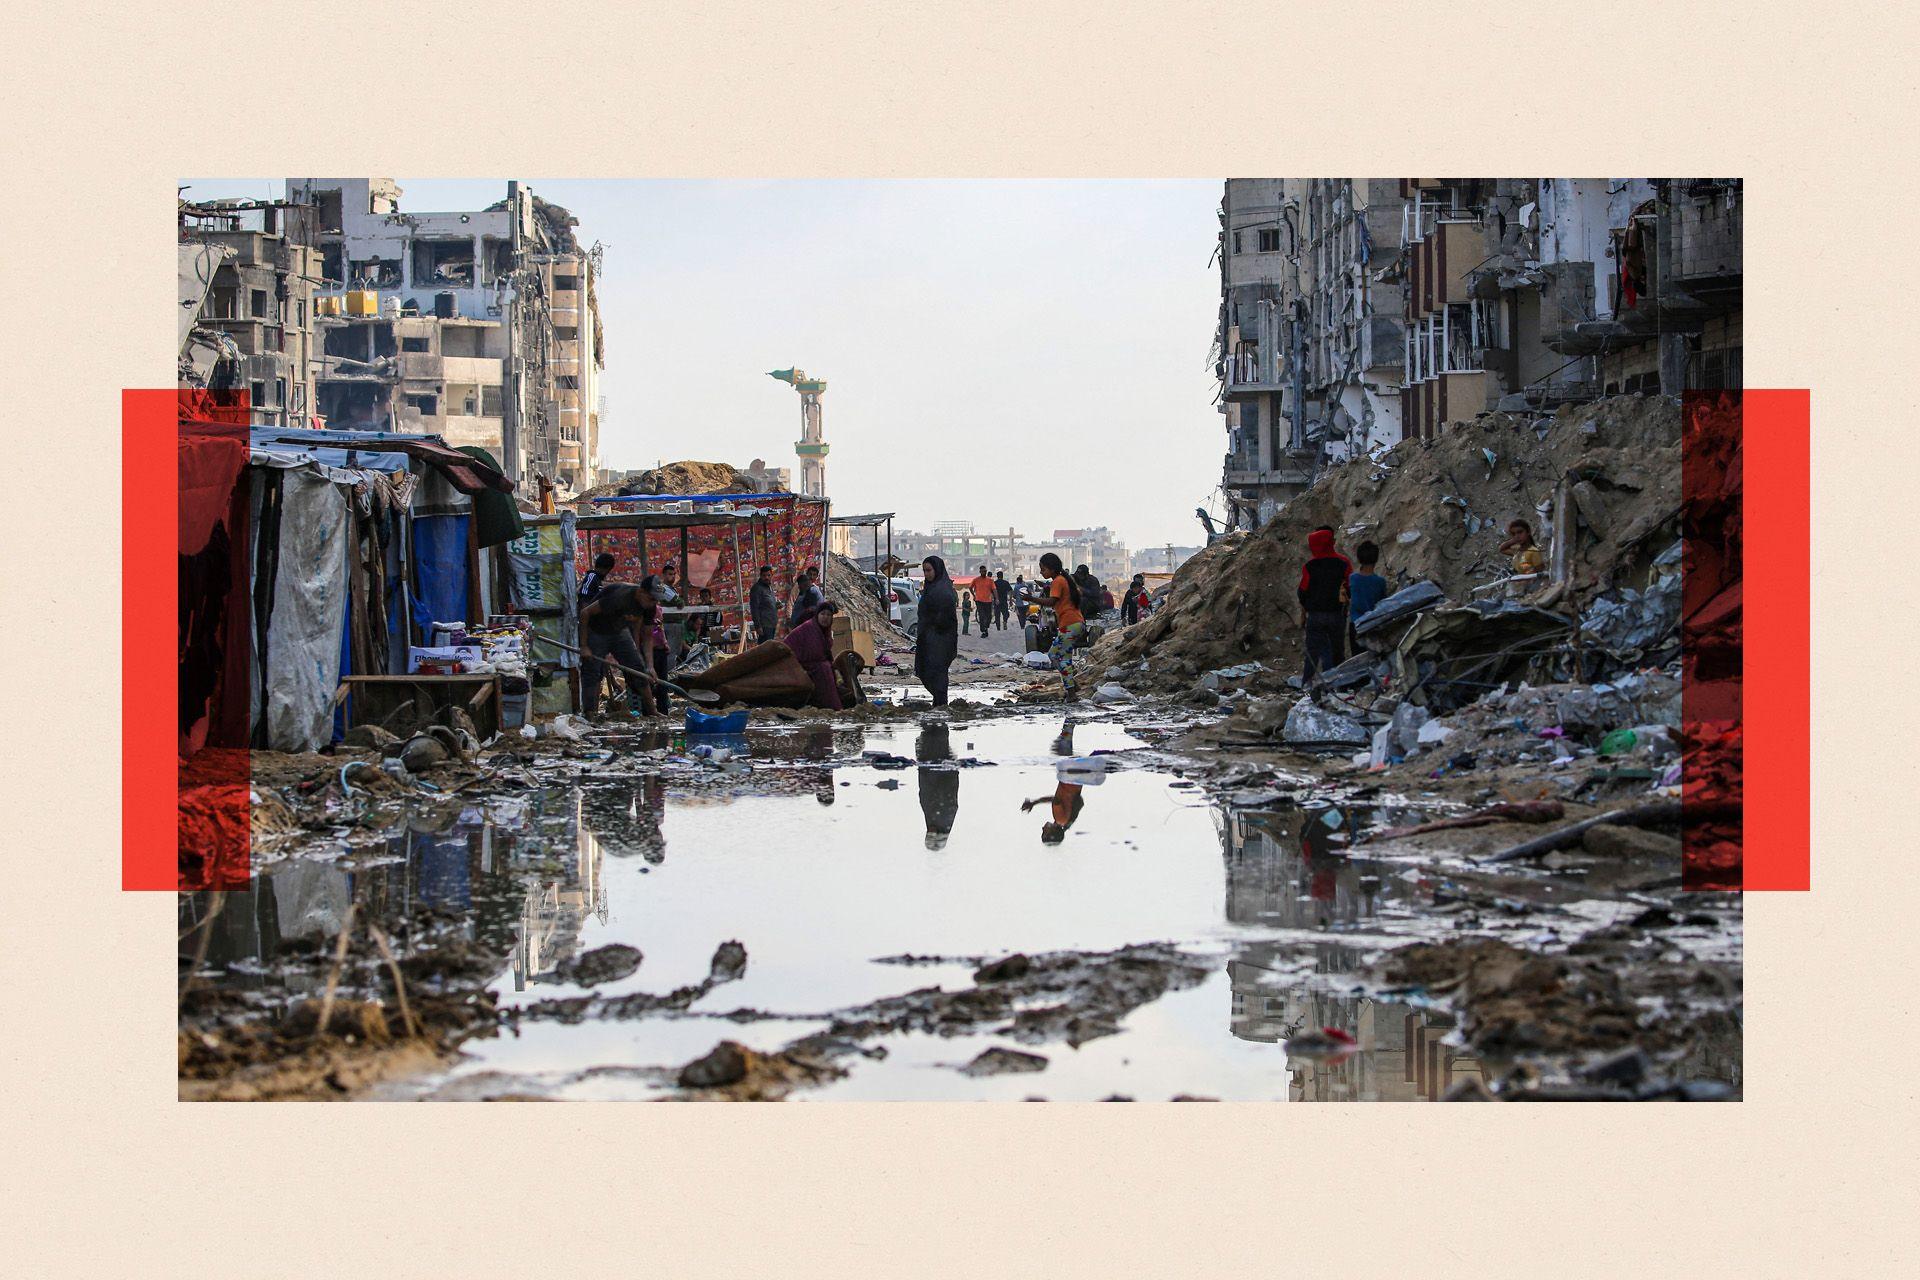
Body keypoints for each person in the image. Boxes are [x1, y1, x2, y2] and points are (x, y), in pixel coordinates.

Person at [577, 579, 659, 719]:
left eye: (655, 600)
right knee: (592, 671)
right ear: (640, 592)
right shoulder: (619, 597)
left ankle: (652, 711)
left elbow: (647, 636)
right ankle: (591, 713)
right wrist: (584, 646)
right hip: (596, 630)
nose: (653, 603)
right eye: (651, 599)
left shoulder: (650, 606)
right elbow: (585, 613)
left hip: (619, 631)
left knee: (638, 669)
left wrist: (650, 666)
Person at [1298, 526, 1351, 680]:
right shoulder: (1343, 563)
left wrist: (1306, 609)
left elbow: (1302, 592)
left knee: (1313, 652)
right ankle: (1337, 684)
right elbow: (1349, 587)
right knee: (1336, 651)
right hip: (1337, 615)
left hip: (1315, 616)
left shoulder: (1309, 566)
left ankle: (1307, 684)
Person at [1038, 551, 1085, 699]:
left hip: (1069, 624)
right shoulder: (1063, 579)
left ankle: (1071, 692)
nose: (1041, 572)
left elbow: (1052, 602)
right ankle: (1072, 684)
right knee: (1064, 657)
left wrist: (1031, 598)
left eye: (1043, 569)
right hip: (1075, 623)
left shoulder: (1058, 581)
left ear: (1051, 569)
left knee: (1056, 656)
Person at [783, 599, 844, 710]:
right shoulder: (810, 628)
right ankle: (831, 706)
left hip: (810, 662)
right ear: (817, 615)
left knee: (829, 668)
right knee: (824, 669)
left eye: (828, 615)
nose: (825, 617)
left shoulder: (824, 630)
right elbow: (814, 653)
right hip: (793, 663)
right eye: (822, 614)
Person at [914, 556, 959, 706]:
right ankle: (938, 704)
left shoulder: (943, 590)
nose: (926, 574)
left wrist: (934, 626)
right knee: (929, 670)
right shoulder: (931, 588)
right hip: (929, 638)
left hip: (941, 639)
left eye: (929, 570)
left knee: (938, 672)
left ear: (937, 570)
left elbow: (946, 617)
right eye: (924, 571)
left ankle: (941, 705)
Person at [638, 574, 674, 714]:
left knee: (662, 684)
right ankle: (648, 711)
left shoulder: (656, 609)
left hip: (659, 649)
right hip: (648, 650)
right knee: (645, 682)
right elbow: (643, 634)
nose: (653, 602)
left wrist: (665, 643)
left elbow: (660, 629)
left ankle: (662, 711)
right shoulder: (640, 611)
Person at [1344, 540, 1388, 653]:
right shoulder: (1380, 582)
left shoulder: (1353, 578)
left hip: (1356, 624)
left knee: (1357, 657)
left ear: (1359, 559)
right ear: (1376, 559)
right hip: (1373, 624)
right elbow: (1383, 602)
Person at [749, 564, 779, 643]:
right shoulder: (757, 588)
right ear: (761, 576)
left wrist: (776, 605)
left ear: (771, 575)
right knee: (766, 650)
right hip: (765, 625)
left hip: (772, 623)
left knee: (770, 649)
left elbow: (767, 604)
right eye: (764, 575)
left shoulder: (769, 587)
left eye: (768, 575)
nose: (766, 577)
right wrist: (758, 626)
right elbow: (754, 608)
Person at [968, 565, 996, 635]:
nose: (984, 572)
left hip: (988, 601)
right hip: (979, 600)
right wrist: (974, 595)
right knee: (982, 615)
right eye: (983, 571)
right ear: (980, 572)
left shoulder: (990, 580)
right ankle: (983, 630)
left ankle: (986, 627)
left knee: (989, 616)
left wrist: (997, 598)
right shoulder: (976, 580)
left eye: (985, 571)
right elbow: (970, 587)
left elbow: (994, 589)